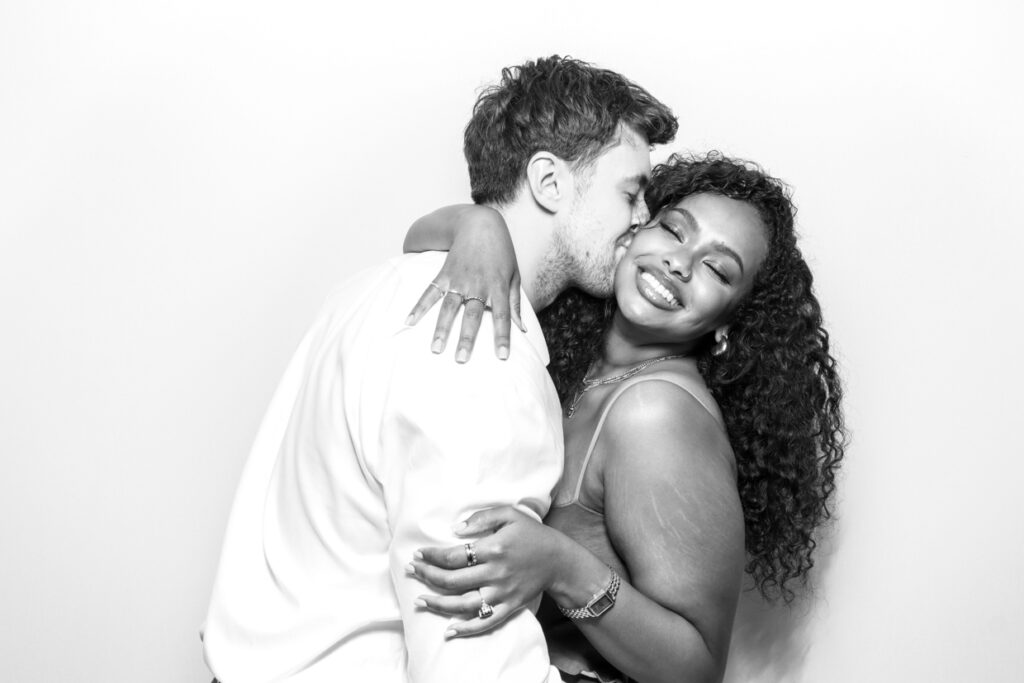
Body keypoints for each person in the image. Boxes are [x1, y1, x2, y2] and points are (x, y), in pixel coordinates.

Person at [200, 56, 677, 682]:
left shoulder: (371, 290)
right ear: (550, 182)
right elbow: (471, 653)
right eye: (630, 191)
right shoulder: (481, 349)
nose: (644, 217)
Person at [402, 153, 846, 683]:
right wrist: (480, 226)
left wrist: (561, 567)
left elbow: (697, 669)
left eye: (716, 268)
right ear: (635, 232)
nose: (680, 263)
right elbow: (415, 241)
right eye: (674, 231)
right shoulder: (576, 357)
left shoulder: (654, 412)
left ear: (729, 323)